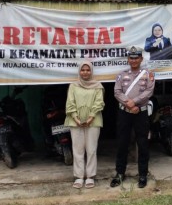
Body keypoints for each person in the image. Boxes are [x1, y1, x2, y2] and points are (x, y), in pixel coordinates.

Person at [111, 46, 155, 188]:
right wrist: (129, 104)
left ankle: (142, 174)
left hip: (140, 112)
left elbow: (149, 91)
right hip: (124, 113)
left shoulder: (148, 74)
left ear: (141, 59)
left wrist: (134, 102)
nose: (134, 60)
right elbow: (117, 92)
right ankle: (119, 173)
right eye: (131, 58)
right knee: (122, 143)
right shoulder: (121, 74)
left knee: (142, 144)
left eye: (136, 58)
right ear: (128, 59)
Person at [64, 60, 105, 189]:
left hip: (94, 121)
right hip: (75, 122)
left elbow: (99, 103)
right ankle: (79, 176)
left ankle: (90, 176)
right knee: (77, 150)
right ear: (79, 71)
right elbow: (70, 103)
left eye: (88, 70)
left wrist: (91, 117)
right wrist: (76, 118)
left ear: (91, 71)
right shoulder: (73, 85)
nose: (85, 72)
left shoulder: (98, 86)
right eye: (83, 70)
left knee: (91, 149)